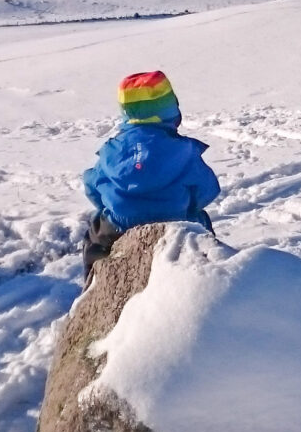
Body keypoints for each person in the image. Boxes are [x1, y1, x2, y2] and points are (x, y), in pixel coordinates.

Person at [81, 70, 220, 282]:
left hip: (118, 225)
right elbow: (208, 189)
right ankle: (211, 275)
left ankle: (92, 284)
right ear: (171, 109)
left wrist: (110, 205)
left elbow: (92, 184)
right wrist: (189, 207)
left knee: (94, 237)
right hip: (176, 221)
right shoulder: (184, 150)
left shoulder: (112, 149)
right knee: (203, 223)